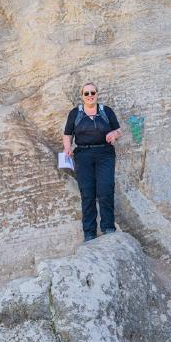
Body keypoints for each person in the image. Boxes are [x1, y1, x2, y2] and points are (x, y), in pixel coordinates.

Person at [63, 83, 122, 241]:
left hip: (105, 154)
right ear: (82, 96)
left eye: (92, 92)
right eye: (86, 93)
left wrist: (114, 134)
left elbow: (118, 130)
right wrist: (67, 147)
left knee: (105, 189)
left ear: (97, 93)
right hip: (83, 155)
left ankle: (108, 227)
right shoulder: (75, 113)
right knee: (87, 193)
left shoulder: (106, 111)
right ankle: (89, 232)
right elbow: (67, 134)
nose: (90, 95)